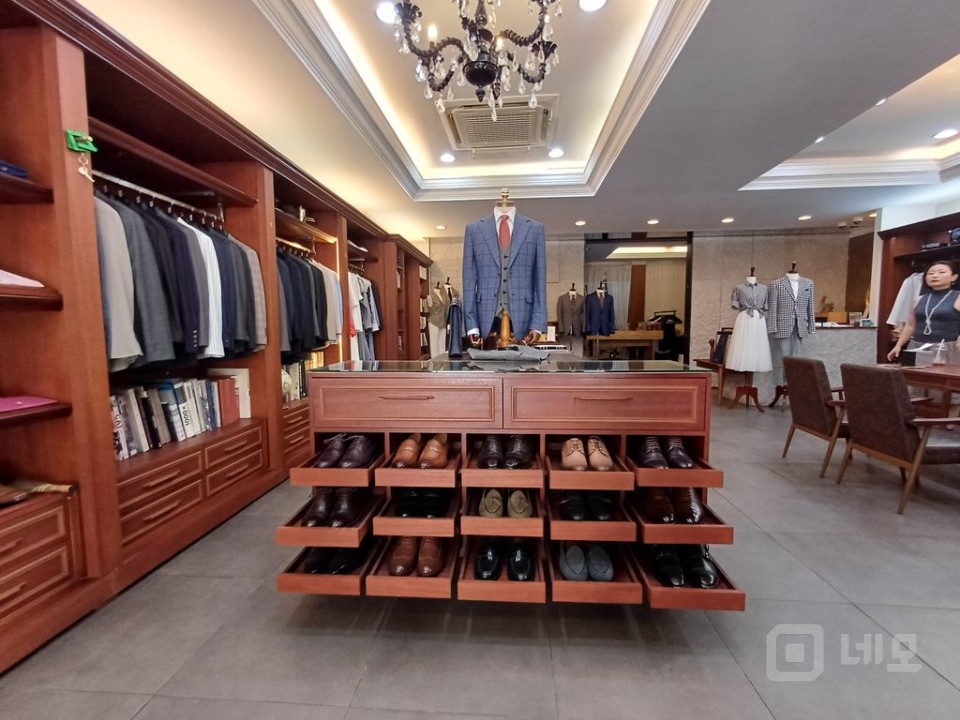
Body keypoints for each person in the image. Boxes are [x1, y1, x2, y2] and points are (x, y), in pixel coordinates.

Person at [888, 260, 960, 361]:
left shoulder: (958, 296)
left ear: (954, 277)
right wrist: (898, 345)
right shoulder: (919, 299)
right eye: (930, 273)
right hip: (917, 346)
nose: (935, 276)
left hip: (947, 347)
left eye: (941, 272)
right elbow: (910, 325)